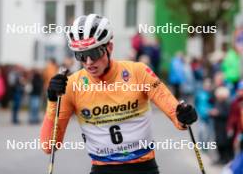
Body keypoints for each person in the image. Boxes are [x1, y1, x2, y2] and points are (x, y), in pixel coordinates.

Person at [40, 14, 198, 174]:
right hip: (102, 169)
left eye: (94, 53)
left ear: (109, 48)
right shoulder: (72, 85)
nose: (88, 62)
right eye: (81, 55)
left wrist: (184, 115)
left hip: (144, 168)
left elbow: (175, 112)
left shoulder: (137, 72)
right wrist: (53, 100)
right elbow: (49, 146)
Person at [209, 87, 232, 164]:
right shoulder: (217, 102)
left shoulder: (227, 103)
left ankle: (226, 159)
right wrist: (212, 113)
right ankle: (221, 158)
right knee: (218, 143)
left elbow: (228, 114)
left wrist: (218, 113)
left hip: (224, 126)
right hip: (217, 126)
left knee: (225, 143)